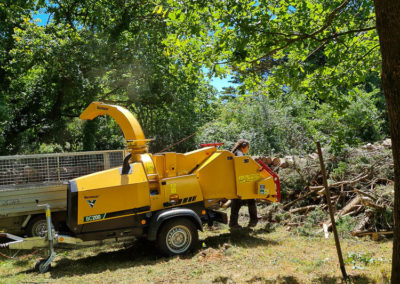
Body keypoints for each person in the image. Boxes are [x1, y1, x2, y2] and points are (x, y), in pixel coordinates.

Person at [229, 139, 259, 229]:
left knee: (237, 203)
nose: (248, 149)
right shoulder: (239, 154)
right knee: (248, 201)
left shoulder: (235, 152)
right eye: (248, 147)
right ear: (244, 146)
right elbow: (242, 167)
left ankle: (233, 223)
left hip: (235, 182)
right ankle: (253, 221)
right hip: (240, 183)